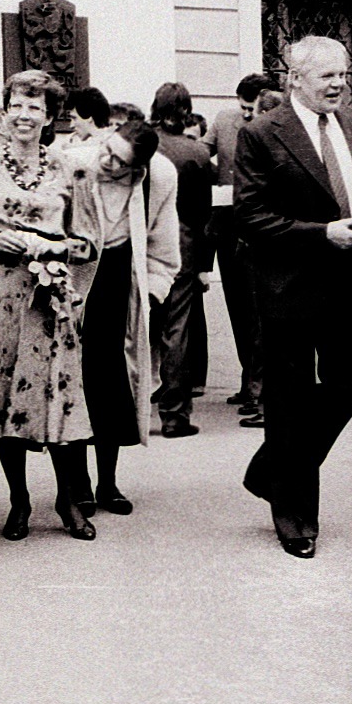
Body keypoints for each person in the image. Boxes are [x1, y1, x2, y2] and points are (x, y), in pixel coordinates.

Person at [234, 36, 352, 559]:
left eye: (343, 74)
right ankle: (296, 518)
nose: (339, 84)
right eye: (327, 76)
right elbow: (252, 218)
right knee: (291, 399)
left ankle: (270, 469)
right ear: (295, 78)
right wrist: (322, 233)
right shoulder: (261, 133)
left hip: (349, 281)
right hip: (290, 289)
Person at [0, 70, 97, 542]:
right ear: (5, 110)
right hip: (1, 295)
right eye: (17, 105)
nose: (25, 116)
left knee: (60, 395)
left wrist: (53, 249)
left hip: (51, 300)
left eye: (35, 108)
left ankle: (68, 500)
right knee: (5, 399)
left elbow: (87, 241)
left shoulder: (68, 169)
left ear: (50, 118)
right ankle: (18, 499)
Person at [62, 114, 180, 515]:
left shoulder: (159, 180)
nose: (108, 163)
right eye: (108, 151)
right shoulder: (73, 161)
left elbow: (164, 249)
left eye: (119, 162)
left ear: (139, 168)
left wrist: (151, 292)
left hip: (119, 281)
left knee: (111, 382)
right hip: (72, 279)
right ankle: (76, 485)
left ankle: (107, 482)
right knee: (71, 381)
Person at [204, 73, 278, 426]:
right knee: (238, 306)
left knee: (258, 310)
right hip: (226, 225)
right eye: (243, 108)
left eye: (252, 109)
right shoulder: (223, 120)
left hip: (258, 228)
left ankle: (258, 387)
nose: (247, 115)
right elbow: (201, 156)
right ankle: (247, 379)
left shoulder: (273, 125)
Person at [149, 82, 213, 437]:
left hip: (141, 244)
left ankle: (128, 409)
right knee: (177, 331)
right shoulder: (196, 152)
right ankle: (174, 415)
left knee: (138, 328)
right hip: (182, 246)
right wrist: (205, 263)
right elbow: (203, 214)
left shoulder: (141, 144)